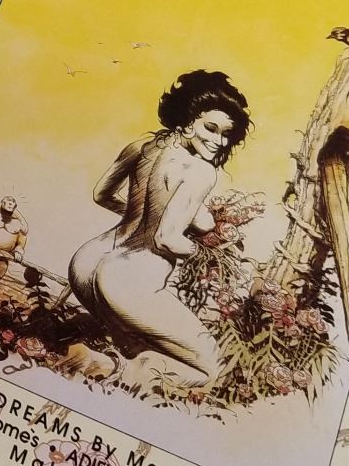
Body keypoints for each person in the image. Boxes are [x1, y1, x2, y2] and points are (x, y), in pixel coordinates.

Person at [66, 70, 251, 390]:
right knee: (213, 370)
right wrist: (207, 254)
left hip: (88, 261)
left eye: (226, 135)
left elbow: (102, 195)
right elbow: (167, 239)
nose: (218, 141)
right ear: (189, 120)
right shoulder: (201, 171)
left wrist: (147, 216)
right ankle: (104, 366)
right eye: (210, 128)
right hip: (131, 277)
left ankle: (102, 361)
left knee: (140, 344)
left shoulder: (141, 146)